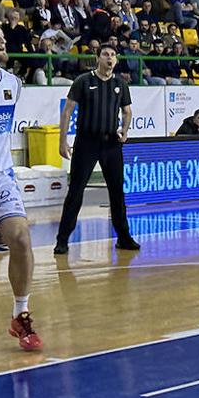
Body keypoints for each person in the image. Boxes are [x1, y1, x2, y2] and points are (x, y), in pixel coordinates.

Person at [54, 43, 139, 254]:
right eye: (105, 54)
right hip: (86, 143)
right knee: (75, 191)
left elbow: (127, 112)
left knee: (117, 192)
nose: (109, 58)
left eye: (113, 55)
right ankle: (62, 239)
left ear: (116, 60)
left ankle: (124, 237)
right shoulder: (83, 81)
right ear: (98, 58)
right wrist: (62, 141)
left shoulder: (120, 84)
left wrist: (125, 131)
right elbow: (67, 112)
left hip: (111, 143)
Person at [0, 26, 41, 351]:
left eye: (2, 37)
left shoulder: (12, 84)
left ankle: (20, 313)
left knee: (22, 239)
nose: (2, 42)